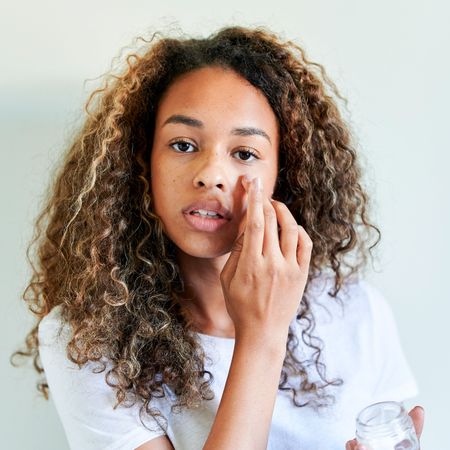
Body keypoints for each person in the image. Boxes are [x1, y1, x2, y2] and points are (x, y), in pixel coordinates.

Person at [11, 25, 425, 449]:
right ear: (141, 161)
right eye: (184, 145)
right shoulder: (88, 337)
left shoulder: (356, 313)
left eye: (244, 153)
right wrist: (262, 335)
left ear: (283, 175)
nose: (211, 175)